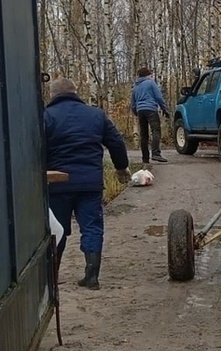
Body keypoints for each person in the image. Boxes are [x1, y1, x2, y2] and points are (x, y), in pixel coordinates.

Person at [44, 78, 131, 290]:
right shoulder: (96, 115)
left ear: (52, 95)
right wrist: (121, 168)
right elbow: (116, 142)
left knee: (57, 230)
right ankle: (92, 276)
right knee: (92, 227)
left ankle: (51, 281)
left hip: (57, 183)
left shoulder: (46, 117)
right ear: (75, 92)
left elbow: (35, 147)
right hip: (90, 183)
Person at [131, 67, 170, 164]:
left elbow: (132, 103)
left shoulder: (135, 87)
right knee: (156, 130)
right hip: (151, 109)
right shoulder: (150, 83)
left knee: (144, 134)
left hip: (140, 110)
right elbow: (159, 97)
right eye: (150, 75)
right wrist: (164, 109)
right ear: (147, 75)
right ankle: (156, 153)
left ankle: (145, 158)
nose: (151, 76)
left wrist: (136, 112)